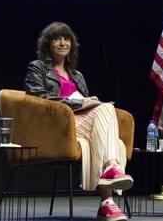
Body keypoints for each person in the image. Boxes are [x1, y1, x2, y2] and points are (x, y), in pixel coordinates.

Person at [24, 22, 133, 221]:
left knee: (113, 138)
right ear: (48, 44)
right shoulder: (37, 68)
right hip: (58, 125)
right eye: (57, 38)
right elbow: (38, 98)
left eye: (66, 39)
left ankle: (107, 202)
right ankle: (110, 172)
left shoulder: (77, 75)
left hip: (80, 124)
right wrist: (78, 102)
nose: (62, 43)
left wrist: (87, 102)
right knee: (106, 111)